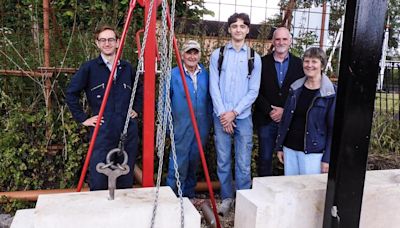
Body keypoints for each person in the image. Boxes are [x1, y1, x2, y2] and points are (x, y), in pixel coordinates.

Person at [66, 25, 143, 190]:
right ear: (97, 43)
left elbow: (139, 90)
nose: (107, 43)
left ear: (117, 42)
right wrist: (83, 119)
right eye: (103, 40)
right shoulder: (90, 68)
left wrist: (136, 109)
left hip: (126, 130)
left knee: (124, 175)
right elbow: (71, 94)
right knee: (100, 178)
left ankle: (122, 212)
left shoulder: (127, 68)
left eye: (110, 40)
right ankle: (99, 212)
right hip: (103, 132)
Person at [209, 13, 261, 215]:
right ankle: (227, 198)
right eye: (234, 26)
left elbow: (253, 91)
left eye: (242, 26)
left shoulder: (253, 58)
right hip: (221, 116)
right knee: (223, 161)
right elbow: (214, 87)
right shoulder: (218, 55)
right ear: (229, 29)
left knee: (243, 162)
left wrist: (234, 113)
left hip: (243, 117)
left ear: (247, 30)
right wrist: (224, 114)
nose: (238, 29)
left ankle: (243, 200)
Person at [275, 47, 336, 175]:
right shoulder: (295, 88)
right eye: (306, 61)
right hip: (290, 149)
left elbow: (334, 129)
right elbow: (286, 120)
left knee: (309, 191)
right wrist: (280, 146)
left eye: (314, 62)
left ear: (322, 65)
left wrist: (328, 158)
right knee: (290, 189)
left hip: (313, 153)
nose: (309, 65)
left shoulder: (330, 93)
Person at [253, 27, 304, 177]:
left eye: (284, 39)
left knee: (289, 159)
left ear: (290, 41)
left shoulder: (299, 64)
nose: (281, 42)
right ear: (273, 41)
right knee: (265, 158)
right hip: (266, 118)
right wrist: (269, 110)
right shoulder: (261, 63)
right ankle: (263, 194)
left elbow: (301, 93)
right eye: (277, 39)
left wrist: (285, 111)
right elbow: (254, 90)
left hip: (290, 121)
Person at [166, 40, 212, 201]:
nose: (192, 56)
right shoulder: (173, 75)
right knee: (178, 164)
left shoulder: (206, 75)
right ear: (182, 55)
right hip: (180, 126)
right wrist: (167, 128)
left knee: (193, 162)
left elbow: (210, 101)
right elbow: (164, 103)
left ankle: (188, 197)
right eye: (188, 53)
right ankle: (171, 198)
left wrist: (209, 123)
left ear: (199, 54)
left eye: (195, 52)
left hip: (201, 127)